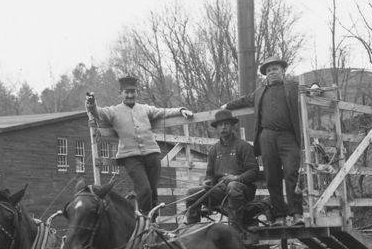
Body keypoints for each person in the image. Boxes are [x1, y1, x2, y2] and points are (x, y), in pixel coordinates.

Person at [91, 75, 194, 215]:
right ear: (120, 93)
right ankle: (143, 221)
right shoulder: (114, 111)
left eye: (133, 91)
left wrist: (181, 110)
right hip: (131, 157)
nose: (130, 95)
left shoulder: (145, 109)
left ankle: (153, 223)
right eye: (127, 92)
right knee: (144, 190)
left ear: (137, 93)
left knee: (152, 191)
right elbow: (98, 113)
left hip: (152, 154)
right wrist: (91, 104)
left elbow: (164, 111)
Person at [222, 58, 303, 226]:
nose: (271, 72)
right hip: (267, 138)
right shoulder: (260, 92)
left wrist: (316, 86)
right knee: (272, 177)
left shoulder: (293, 87)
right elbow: (243, 100)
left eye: (275, 69)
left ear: (283, 71)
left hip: (288, 137)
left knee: (291, 174)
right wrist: (226, 106)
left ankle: (296, 214)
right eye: (268, 71)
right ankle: (279, 216)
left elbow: (309, 89)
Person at [184, 109, 260, 231]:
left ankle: (234, 230)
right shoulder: (214, 150)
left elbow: (253, 171)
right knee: (192, 193)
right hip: (220, 191)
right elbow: (210, 175)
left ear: (233, 126)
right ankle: (193, 231)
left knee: (233, 186)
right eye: (220, 125)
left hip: (242, 190)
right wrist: (207, 182)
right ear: (217, 128)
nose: (223, 127)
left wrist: (237, 178)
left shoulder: (243, 146)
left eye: (226, 124)